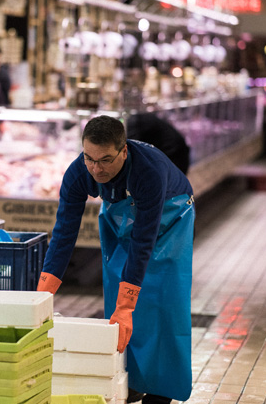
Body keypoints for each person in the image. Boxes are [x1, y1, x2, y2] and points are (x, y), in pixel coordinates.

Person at [38, 116, 195, 404]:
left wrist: (127, 305)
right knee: (116, 292)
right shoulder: (77, 173)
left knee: (160, 301)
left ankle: (161, 389)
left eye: (106, 160)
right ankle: (131, 379)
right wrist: (42, 295)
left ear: (124, 151)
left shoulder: (149, 171)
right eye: (90, 158)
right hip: (123, 216)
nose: (96, 169)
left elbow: (143, 241)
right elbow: (63, 234)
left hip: (171, 218)